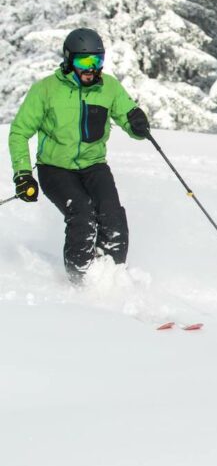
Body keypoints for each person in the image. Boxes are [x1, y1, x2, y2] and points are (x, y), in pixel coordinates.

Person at [8, 27, 151, 284]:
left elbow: (130, 119)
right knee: (82, 214)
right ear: (68, 59)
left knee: (112, 214)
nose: (90, 69)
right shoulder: (46, 90)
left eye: (97, 61)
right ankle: (80, 279)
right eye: (83, 61)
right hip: (55, 169)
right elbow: (19, 133)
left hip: (94, 166)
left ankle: (112, 275)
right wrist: (23, 174)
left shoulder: (109, 88)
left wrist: (137, 123)